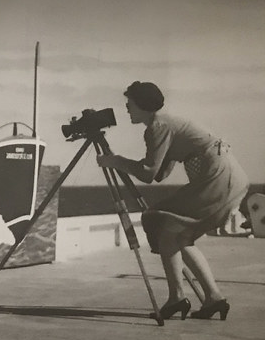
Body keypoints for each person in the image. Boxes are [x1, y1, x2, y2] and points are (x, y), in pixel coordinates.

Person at [97, 81, 249, 321]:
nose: (127, 108)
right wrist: (126, 162)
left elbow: (147, 174)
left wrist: (115, 161)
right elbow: (160, 174)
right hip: (228, 175)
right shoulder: (165, 123)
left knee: (159, 222)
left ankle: (177, 297)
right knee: (179, 234)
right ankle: (213, 298)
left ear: (144, 106)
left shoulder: (157, 126)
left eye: (130, 104)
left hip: (217, 177)